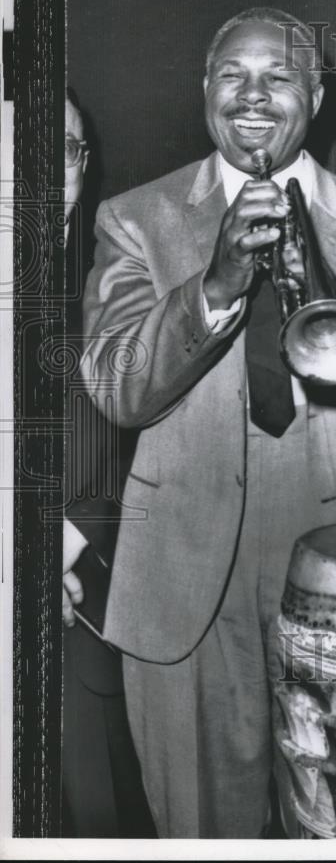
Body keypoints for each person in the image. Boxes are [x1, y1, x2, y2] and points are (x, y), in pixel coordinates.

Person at [78, 8, 336, 838]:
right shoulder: (135, 219)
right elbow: (115, 389)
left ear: (315, 95)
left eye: (278, 77)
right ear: (205, 91)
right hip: (184, 586)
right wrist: (212, 288)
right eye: (232, 76)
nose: (253, 96)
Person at [61, 90, 155, 837]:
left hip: (83, 614)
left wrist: (59, 541)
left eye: (63, 148)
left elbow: (157, 455)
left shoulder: (116, 283)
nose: (40, 166)